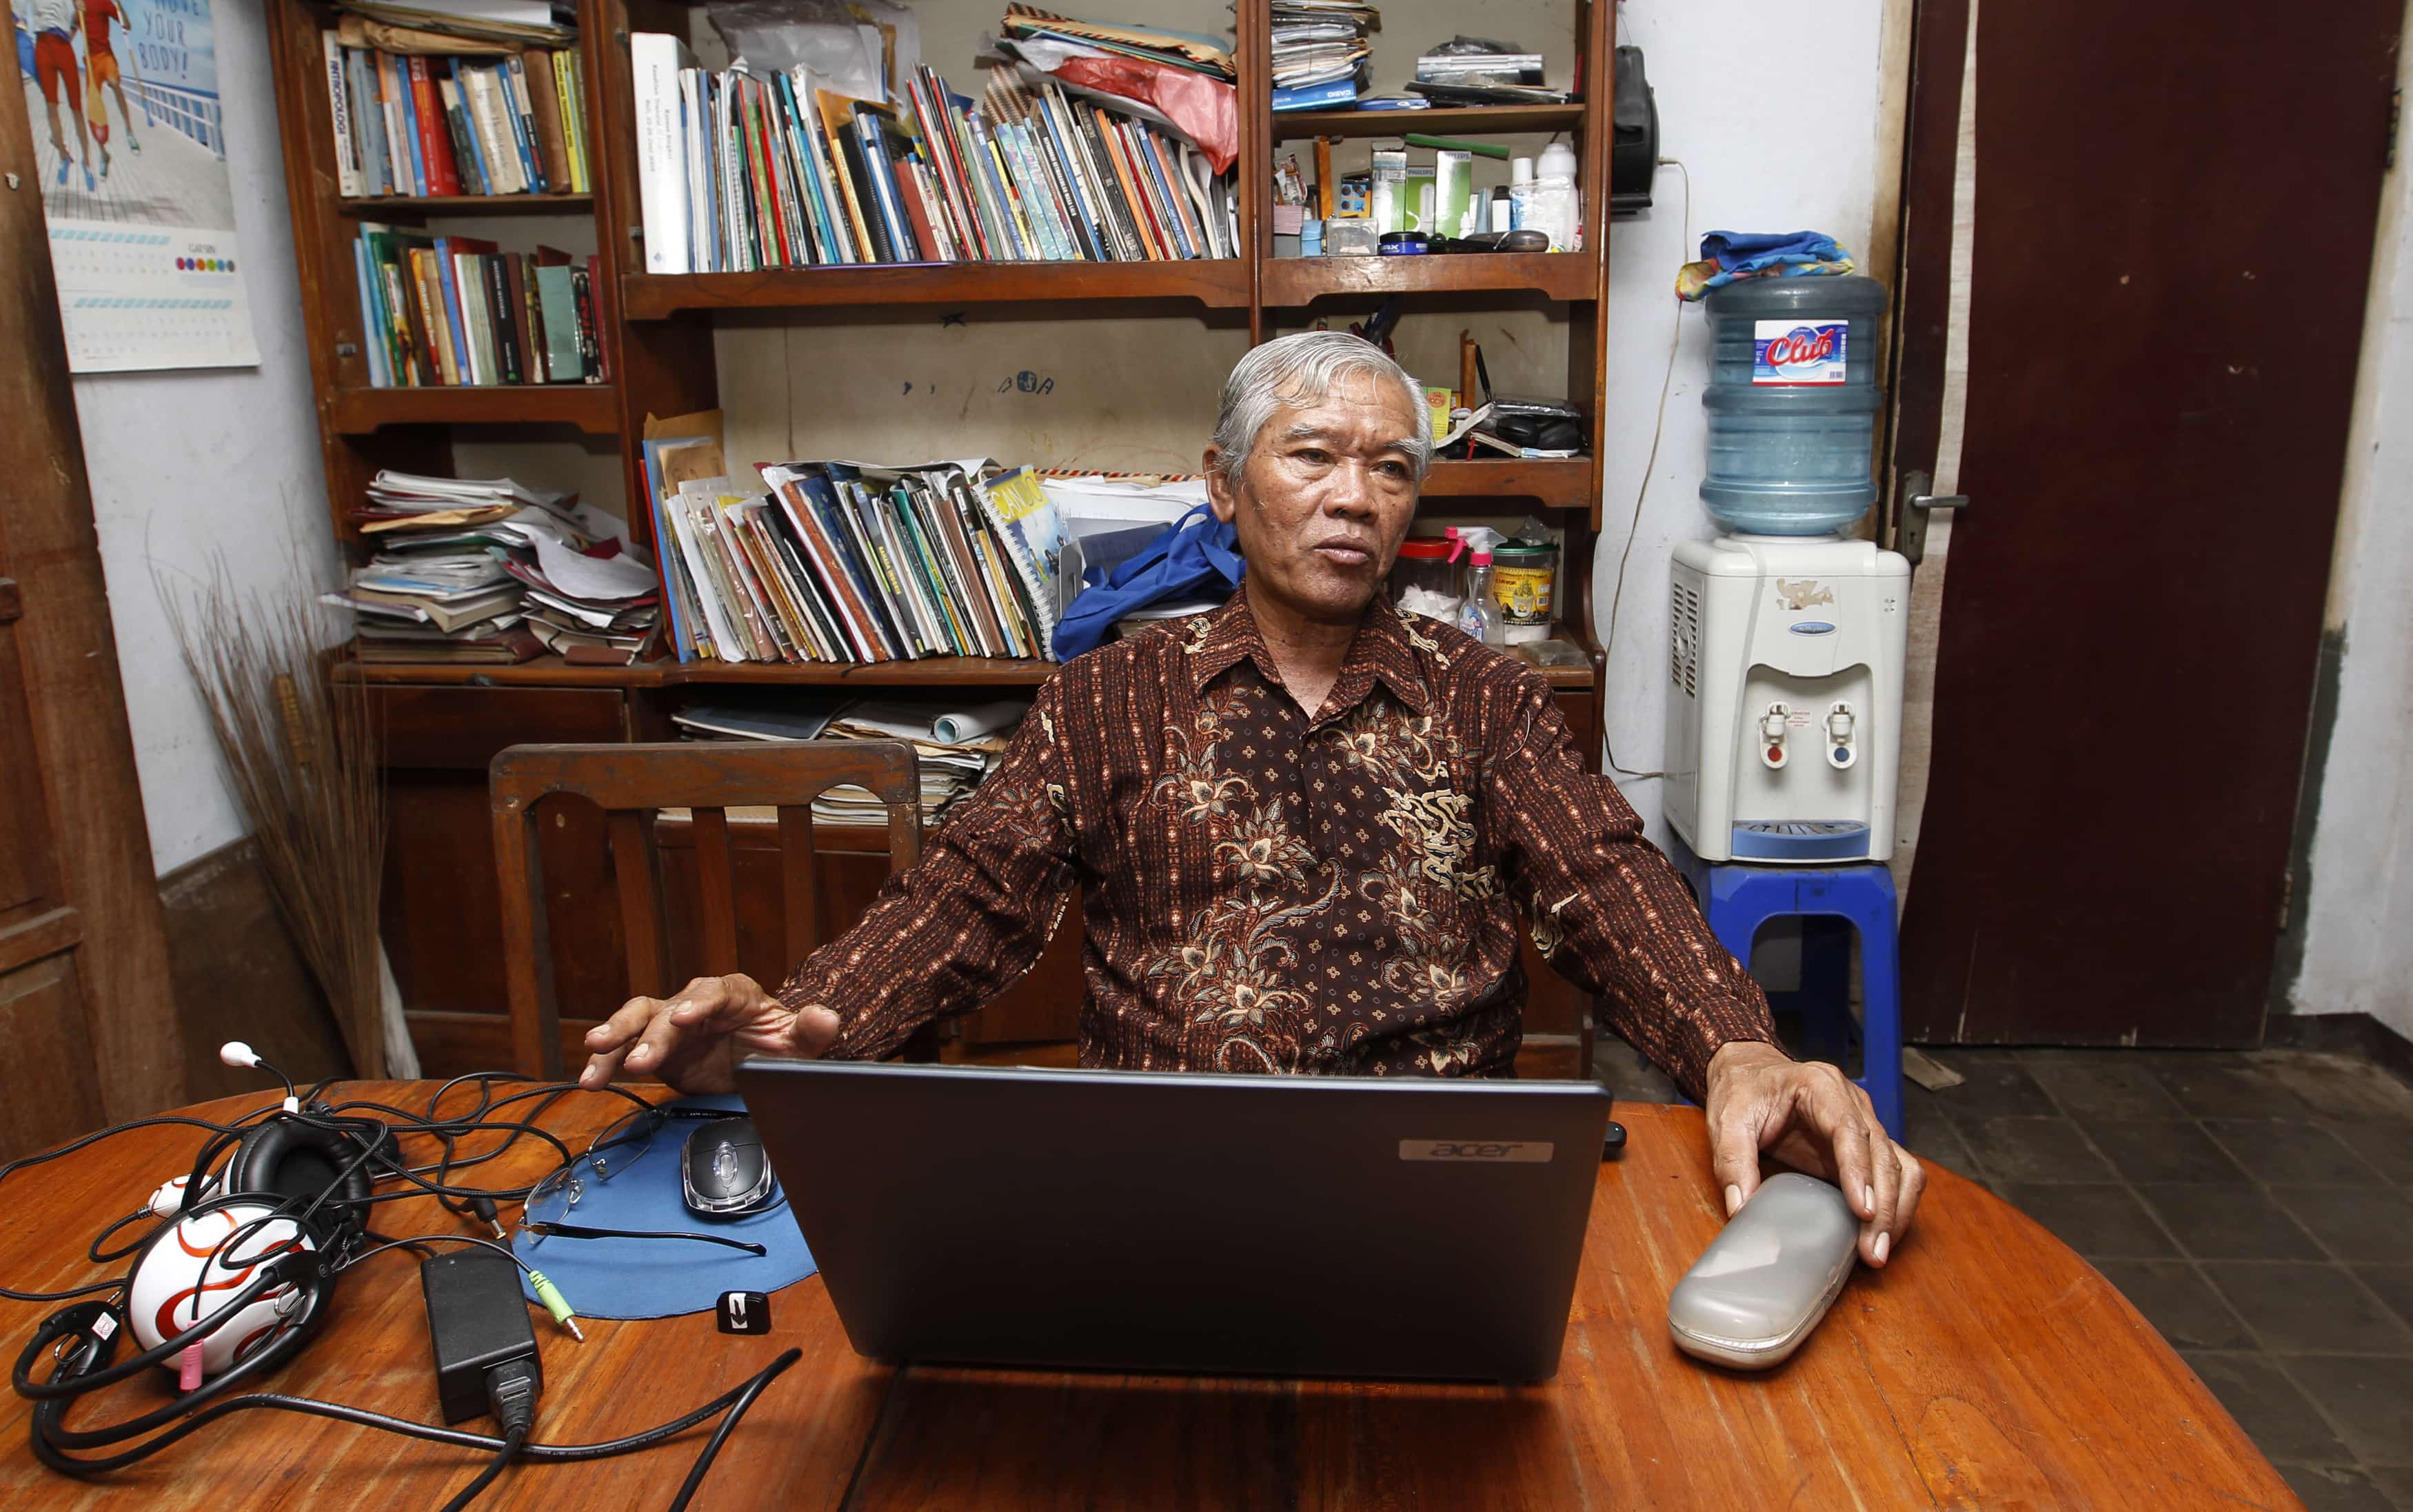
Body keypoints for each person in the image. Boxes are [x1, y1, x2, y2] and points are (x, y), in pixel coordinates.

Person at [582, 332, 1927, 1267]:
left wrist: (1736, 1043)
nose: (1355, 496)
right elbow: (968, 893)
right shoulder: (1112, 692)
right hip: (1160, 1190)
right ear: (1223, 486)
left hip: (1441, 1192)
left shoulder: (1485, 694)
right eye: (1313, 456)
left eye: (1391, 467)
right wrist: (807, 1021)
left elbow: (1606, 878)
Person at [22, 0, 93, 192]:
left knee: (76, 107)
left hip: (63, 46)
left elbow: (80, 17)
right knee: (51, 105)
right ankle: (63, 157)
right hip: (42, 46)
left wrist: (79, 16)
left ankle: (87, 163)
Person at [81, 0, 137, 176]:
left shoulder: (104, 3)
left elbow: (127, 25)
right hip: (90, 61)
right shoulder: (78, 5)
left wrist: (119, 5)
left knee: (114, 83)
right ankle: (104, 154)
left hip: (106, 57)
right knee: (94, 108)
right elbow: (72, 29)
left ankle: (129, 132)